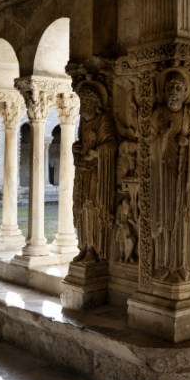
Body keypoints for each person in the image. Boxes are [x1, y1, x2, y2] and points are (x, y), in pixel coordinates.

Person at [150, 69, 190, 282]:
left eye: (179, 88)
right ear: (163, 90)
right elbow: (148, 144)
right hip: (162, 178)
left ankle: (184, 265)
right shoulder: (158, 115)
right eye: (170, 87)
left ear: (186, 92)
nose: (174, 92)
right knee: (164, 218)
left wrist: (189, 142)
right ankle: (162, 263)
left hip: (186, 178)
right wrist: (162, 137)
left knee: (184, 221)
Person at [73, 81, 116, 263]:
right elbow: (82, 143)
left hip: (98, 172)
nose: (83, 106)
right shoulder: (83, 122)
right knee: (81, 208)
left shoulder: (103, 120)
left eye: (86, 102)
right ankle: (84, 246)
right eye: (81, 103)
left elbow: (112, 144)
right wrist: (77, 148)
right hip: (83, 171)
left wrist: (96, 153)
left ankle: (94, 248)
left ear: (94, 103)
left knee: (93, 208)